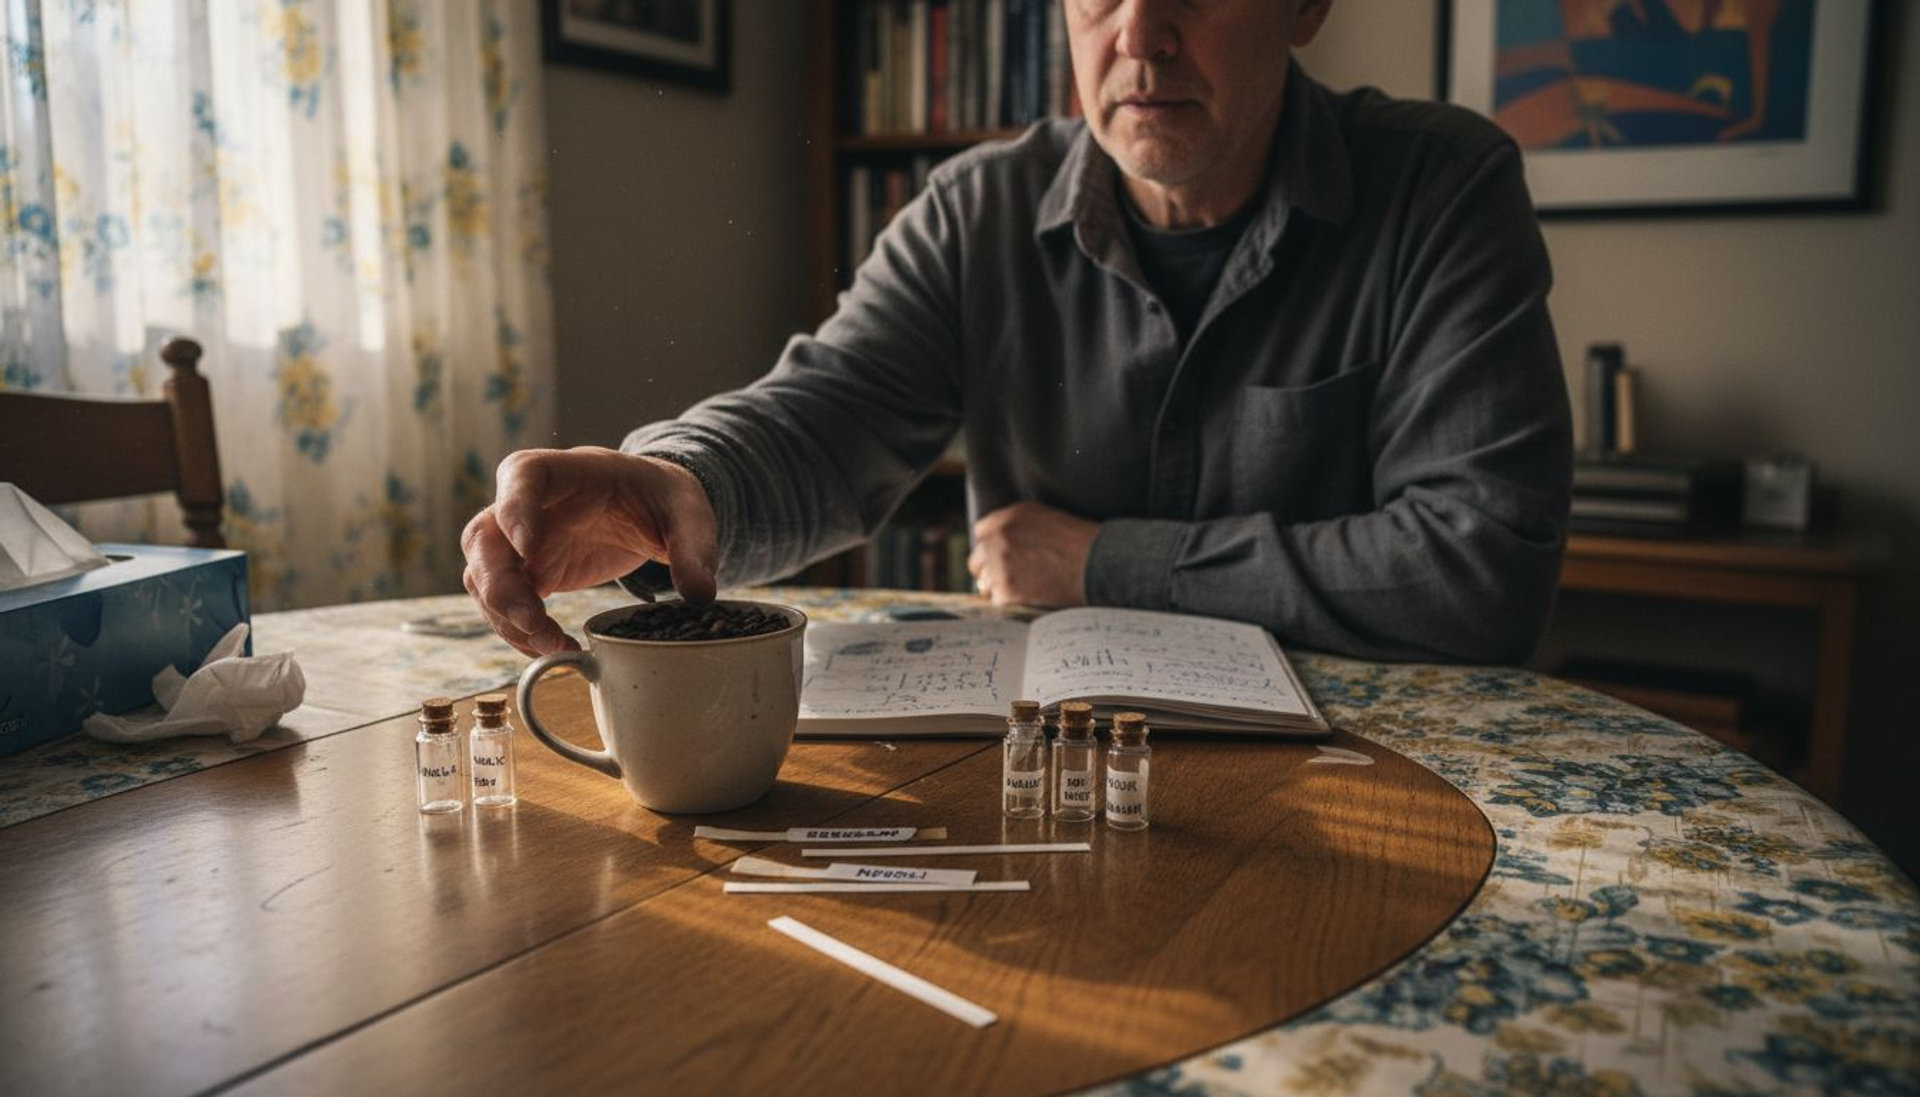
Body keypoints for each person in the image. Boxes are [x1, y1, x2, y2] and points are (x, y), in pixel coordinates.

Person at [462, 0, 1572, 664]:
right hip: (1064, 765)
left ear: (1307, 3)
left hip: (1374, 768)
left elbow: (1477, 571)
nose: (1141, 33)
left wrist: (1101, 560)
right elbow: (827, 415)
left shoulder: (1442, 189)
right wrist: (670, 483)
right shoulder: (977, 207)